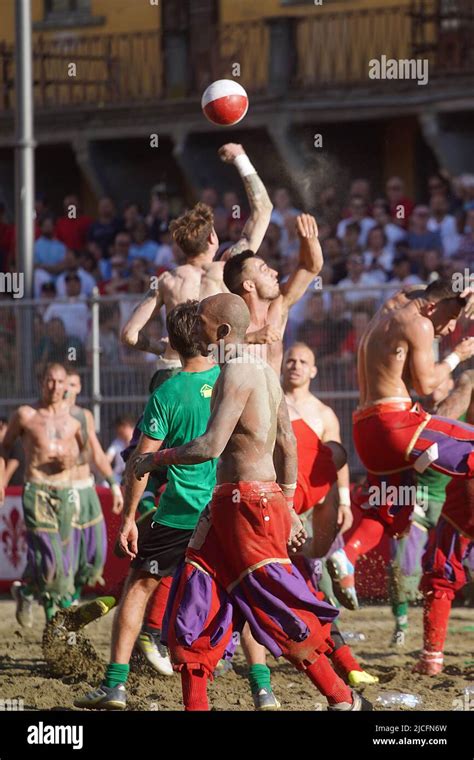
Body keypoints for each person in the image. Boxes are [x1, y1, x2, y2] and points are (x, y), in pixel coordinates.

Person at [134, 292, 372, 712]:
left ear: (222, 332)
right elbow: (287, 444)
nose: (195, 328)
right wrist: (288, 504)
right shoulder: (263, 371)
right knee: (197, 594)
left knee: (276, 604)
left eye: (203, 322)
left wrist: (154, 459)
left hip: (245, 505)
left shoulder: (237, 373)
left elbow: (210, 446)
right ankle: (197, 705)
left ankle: (342, 697)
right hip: (239, 504)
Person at [73, 301, 221, 710]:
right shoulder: (230, 382)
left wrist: (128, 521)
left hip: (177, 512)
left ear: (171, 342)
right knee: (237, 591)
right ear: (213, 338)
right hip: (222, 509)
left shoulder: (166, 392)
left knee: (138, 589)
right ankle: (264, 688)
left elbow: (140, 463)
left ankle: (115, 685)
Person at [327, 279, 474, 609]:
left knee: (389, 512)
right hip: (396, 423)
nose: (448, 328)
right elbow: (425, 383)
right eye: (449, 319)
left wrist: (464, 292)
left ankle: (346, 558)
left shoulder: (389, 309)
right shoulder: (419, 322)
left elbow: (425, 287)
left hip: (366, 430)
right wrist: (456, 356)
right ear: (433, 308)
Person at [121, 142, 273, 390]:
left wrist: (160, 347)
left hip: (171, 373)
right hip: (212, 372)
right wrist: (240, 157)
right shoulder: (227, 267)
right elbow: (263, 209)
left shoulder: (166, 280)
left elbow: (129, 334)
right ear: (213, 238)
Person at [390, 371, 474, 647]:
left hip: (451, 504)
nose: (435, 384)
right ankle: (402, 626)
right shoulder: (415, 415)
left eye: (441, 379)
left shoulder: (461, 398)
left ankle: (431, 655)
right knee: (406, 567)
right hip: (421, 501)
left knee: (443, 572)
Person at [0, 364, 85, 623]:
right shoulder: (25, 415)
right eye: (50, 381)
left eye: (60, 382)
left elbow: (86, 453)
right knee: (51, 560)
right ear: (41, 381)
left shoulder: (74, 420)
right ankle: (56, 619)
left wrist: (72, 461)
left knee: (62, 561)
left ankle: (26, 591)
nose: (55, 387)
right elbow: (4, 447)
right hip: (36, 489)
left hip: (66, 492)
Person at [222, 214, 323, 374]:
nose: (275, 272)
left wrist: (307, 239)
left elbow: (310, 267)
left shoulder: (279, 306)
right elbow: (211, 354)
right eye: (264, 270)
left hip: (274, 398)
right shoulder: (229, 321)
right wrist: (251, 338)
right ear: (249, 285)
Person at [64, 370, 123, 604]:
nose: (66, 388)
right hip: (61, 491)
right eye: (62, 383)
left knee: (95, 553)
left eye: (72, 383)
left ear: (79, 387)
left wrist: (114, 486)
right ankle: (63, 604)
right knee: (65, 553)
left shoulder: (84, 415)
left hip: (86, 487)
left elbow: (96, 452)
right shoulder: (44, 416)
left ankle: (73, 595)